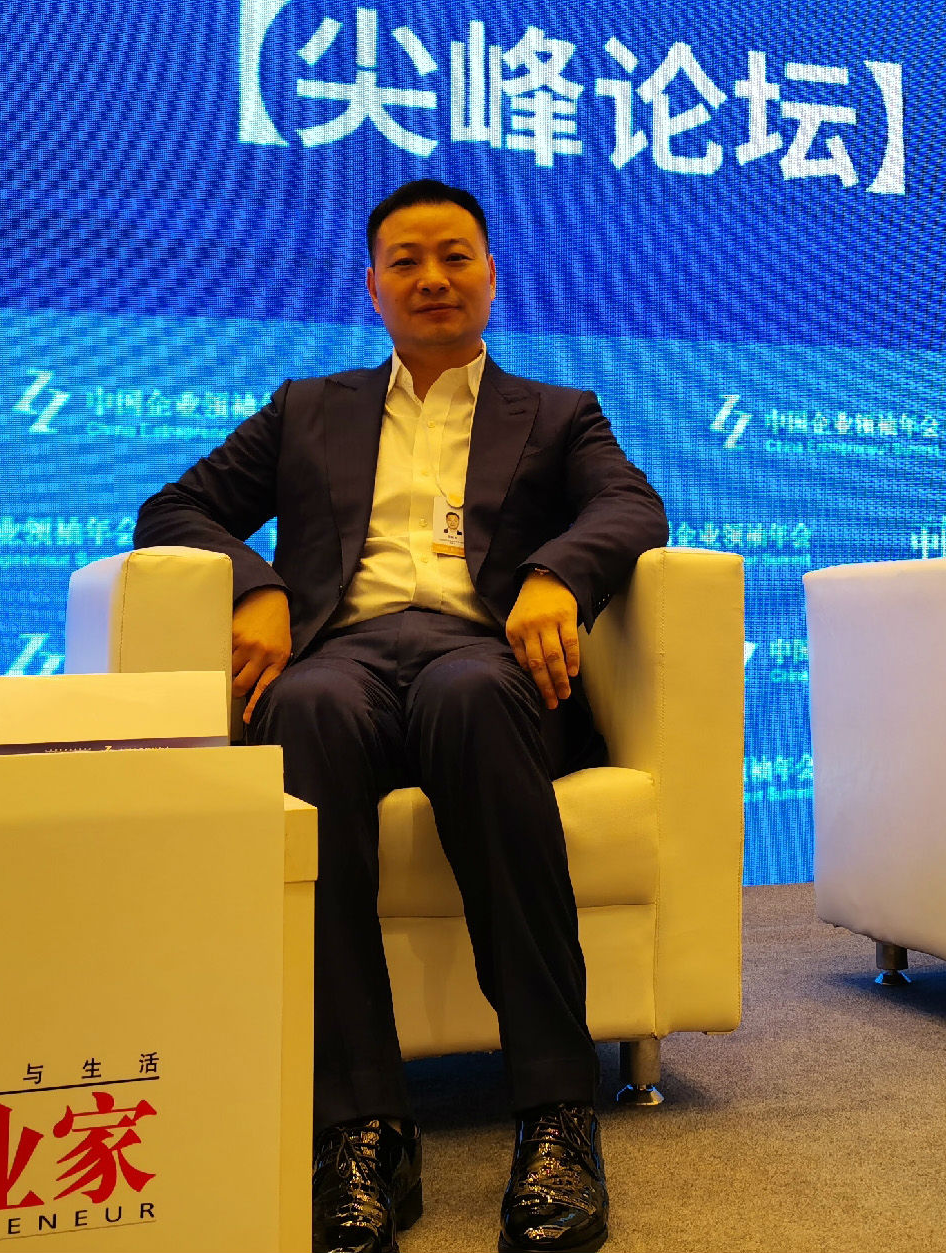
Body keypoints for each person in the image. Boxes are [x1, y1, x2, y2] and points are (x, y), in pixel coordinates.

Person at [134, 178, 668, 1253]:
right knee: (302, 708)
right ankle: (362, 1130)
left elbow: (632, 504)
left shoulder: (558, 413)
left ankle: (556, 1116)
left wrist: (557, 574)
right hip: (345, 656)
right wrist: (258, 587)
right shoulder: (308, 408)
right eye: (407, 261)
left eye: (455, 256)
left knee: (471, 697)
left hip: (481, 657)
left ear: (491, 275)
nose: (433, 278)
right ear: (372, 285)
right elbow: (174, 509)